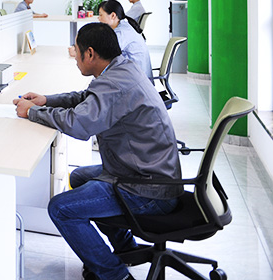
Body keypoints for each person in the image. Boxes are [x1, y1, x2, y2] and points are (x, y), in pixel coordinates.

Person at [13, 23, 182, 280]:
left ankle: (115, 275)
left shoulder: (115, 84)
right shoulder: (121, 69)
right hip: (151, 172)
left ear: (90, 53)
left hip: (148, 188)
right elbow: (87, 97)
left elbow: (79, 124)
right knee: (80, 176)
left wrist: (33, 112)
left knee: (60, 208)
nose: (74, 57)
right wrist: (47, 100)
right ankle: (125, 249)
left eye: (76, 50)